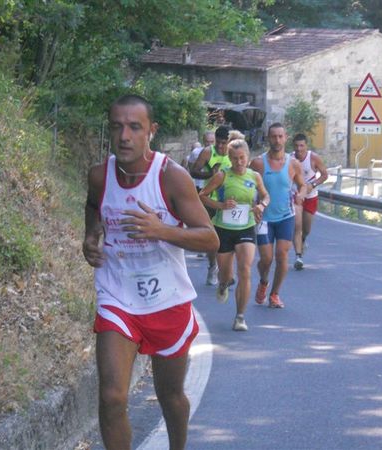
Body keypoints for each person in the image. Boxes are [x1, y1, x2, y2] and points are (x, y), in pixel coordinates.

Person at [82, 94, 219, 450]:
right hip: (118, 297)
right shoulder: (100, 175)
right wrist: (90, 234)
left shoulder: (171, 178)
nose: (124, 136)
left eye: (134, 127)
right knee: (112, 397)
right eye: (116, 126)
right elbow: (93, 206)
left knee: (170, 396)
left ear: (151, 132)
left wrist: (163, 231)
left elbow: (210, 239)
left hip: (167, 301)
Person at [199, 139, 270, 331]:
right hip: (224, 228)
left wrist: (261, 205)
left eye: (242, 158)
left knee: (245, 269)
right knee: (225, 274)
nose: (239, 162)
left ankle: (240, 317)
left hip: (246, 227)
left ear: (248, 157)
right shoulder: (222, 176)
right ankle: (223, 283)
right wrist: (221, 206)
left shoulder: (254, 176)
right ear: (229, 159)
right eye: (235, 158)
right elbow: (202, 195)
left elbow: (265, 195)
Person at [249, 123, 307, 309]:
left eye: (280, 136)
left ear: (286, 138)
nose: (277, 140)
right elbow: (248, 187)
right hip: (263, 218)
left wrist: (301, 194)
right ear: (268, 138)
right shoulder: (258, 163)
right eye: (273, 136)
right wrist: (254, 206)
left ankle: (274, 294)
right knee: (266, 259)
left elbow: (302, 185)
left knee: (282, 254)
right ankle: (264, 281)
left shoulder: (293, 164)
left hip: (285, 216)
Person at [190, 125, 232, 285]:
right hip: (210, 200)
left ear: (228, 141)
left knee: (227, 237)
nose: (220, 146)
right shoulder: (208, 152)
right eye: (218, 142)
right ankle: (212, 266)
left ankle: (225, 270)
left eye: (223, 143)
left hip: (229, 200)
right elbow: (193, 171)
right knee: (213, 237)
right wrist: (210, 174)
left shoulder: (233, 152)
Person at [291, 133, 328, 270]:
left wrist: (313, 184)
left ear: (306, 146)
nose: (299, 149)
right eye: (296, 146)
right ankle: (298, 256)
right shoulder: (289, 159)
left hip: (310, 196)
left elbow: (325, 175)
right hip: (295, 196)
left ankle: (303, 240)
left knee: (306, 229)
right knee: (297, 226)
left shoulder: (313, 158)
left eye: (301, 146)